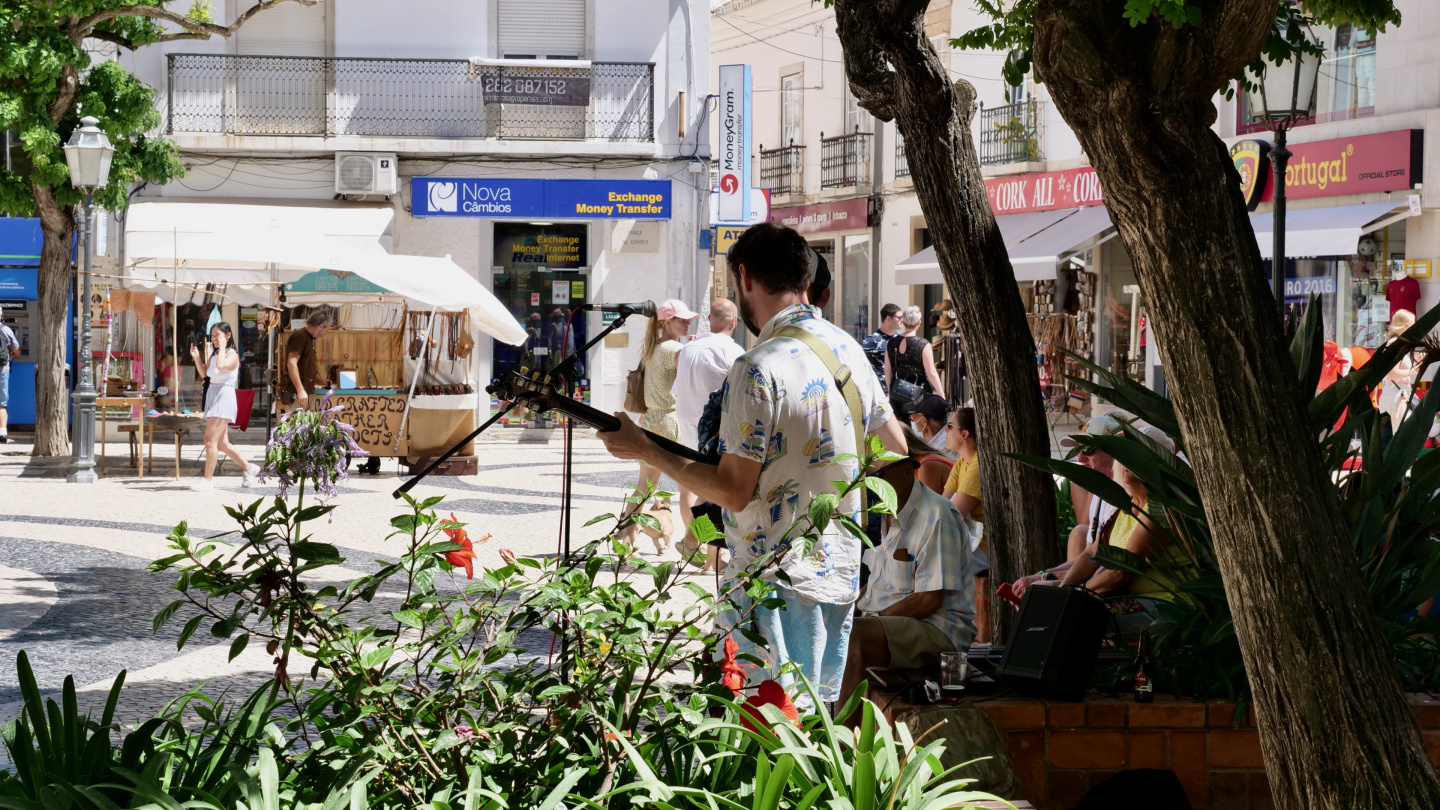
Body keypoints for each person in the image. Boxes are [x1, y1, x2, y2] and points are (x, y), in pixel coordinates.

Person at [597, 222, 907, 705]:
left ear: (744, 277)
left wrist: (646, 449)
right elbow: (895, 447)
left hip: (772, 582)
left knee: (765, 733)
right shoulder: (846, 347)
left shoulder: (757, 366)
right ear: (805, 277)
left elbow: (732, 492)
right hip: (838, 570)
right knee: (815, 724)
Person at [839, 449, 975, 720]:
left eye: (879, 475)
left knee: (854, 637)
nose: (873, 485)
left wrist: (873, 620)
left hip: (940, 630)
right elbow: (880, 582)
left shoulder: (936, 515)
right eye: (868, 478)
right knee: (835, 624)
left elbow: (929, 600)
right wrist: (849, 609)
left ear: (906, 469)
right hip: (903, 620)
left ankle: (841, 748)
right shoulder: (889, 510)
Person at [1012, 419, 1176, 600]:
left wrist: (1073, 593)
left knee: (1047, 605)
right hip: (1119, 594)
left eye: (1089, 450)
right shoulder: (1125, 501)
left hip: (1158, 603)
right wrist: (1064, 589)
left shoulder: (1160, 506)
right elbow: (1092, 552)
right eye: (1125, 452)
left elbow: (1122, 569)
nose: (1080, 458)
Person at [618, 299, 698, 552]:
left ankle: (625, 539)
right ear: (666, 322)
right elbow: (690, 380)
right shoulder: (675, 349)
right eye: (682, 320)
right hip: (671, 422)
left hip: (652, 421)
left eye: (688, 320)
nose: (687, 323)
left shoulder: (653, 348)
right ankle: (693, 544)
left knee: (643, 487)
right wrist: (694, 349)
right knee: (687, 487)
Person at [672, 299, 745, 569]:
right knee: (713, 494)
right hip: (715, 433)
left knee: (692, 491)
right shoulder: (733, 351)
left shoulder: (688, 349)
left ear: (710, 320)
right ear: (733, 322)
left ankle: (709, 557)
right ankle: (694, 543)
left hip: (686, 428)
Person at [940, 406, 992, 642]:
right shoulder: (962, 462)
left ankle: (949, 634)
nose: (945, 430)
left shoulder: (978, 464)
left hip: (983, 547)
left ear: (965, 434)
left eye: (950, 426)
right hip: (969, 542)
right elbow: (942, 506)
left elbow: (952, 514)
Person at [189, 322, 259, 492]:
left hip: (224, 396)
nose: (213, 339)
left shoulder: (232, 355)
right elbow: (206, 374)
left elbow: (221, 366)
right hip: (214, 394)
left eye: (217, 335)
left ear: (228, 336)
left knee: (209, 440)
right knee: (222, 444)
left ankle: (208, 480)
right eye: (212, 336)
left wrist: (221, 347)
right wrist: (196, 357)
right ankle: (250, 469)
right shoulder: (214, 354)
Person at [884, 306, 943, 414]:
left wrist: (890, 389)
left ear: (903, 322)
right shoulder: (923, 344)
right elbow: (931, 372)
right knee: (920, 426)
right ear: (918, 323)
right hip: (919, 393)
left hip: (897, 391)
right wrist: (941, 395)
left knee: (902, 427)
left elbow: (887, 370)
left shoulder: (892, 343)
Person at [280, 308, 332, 410]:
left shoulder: (309, 338)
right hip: (297, 394)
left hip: (306, 392)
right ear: (320, 326)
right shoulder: (300, 336)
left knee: (307, 426)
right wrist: (300, 390)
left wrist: (317, 380)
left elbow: (304, 367)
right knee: (296, 425)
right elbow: (291, 364)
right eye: (326, 330)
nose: (325, 333)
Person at [861, 304, 904, 391]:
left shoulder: (899, 337)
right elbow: (858, 361)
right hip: (880, 391)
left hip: (898, 391)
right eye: (899, 318)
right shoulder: (872, 340)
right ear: (888, 319)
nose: (902, 320)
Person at [905, 394, 955, 461]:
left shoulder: (942, 449)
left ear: (924, 421)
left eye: (912, 418)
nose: (912, 422)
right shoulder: (952, 434)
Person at [0, 319, 18, 443]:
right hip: (3, 370)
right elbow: (17, 351)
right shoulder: (6, 330)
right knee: (2, 404)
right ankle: (2, 433)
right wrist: (10, 353)